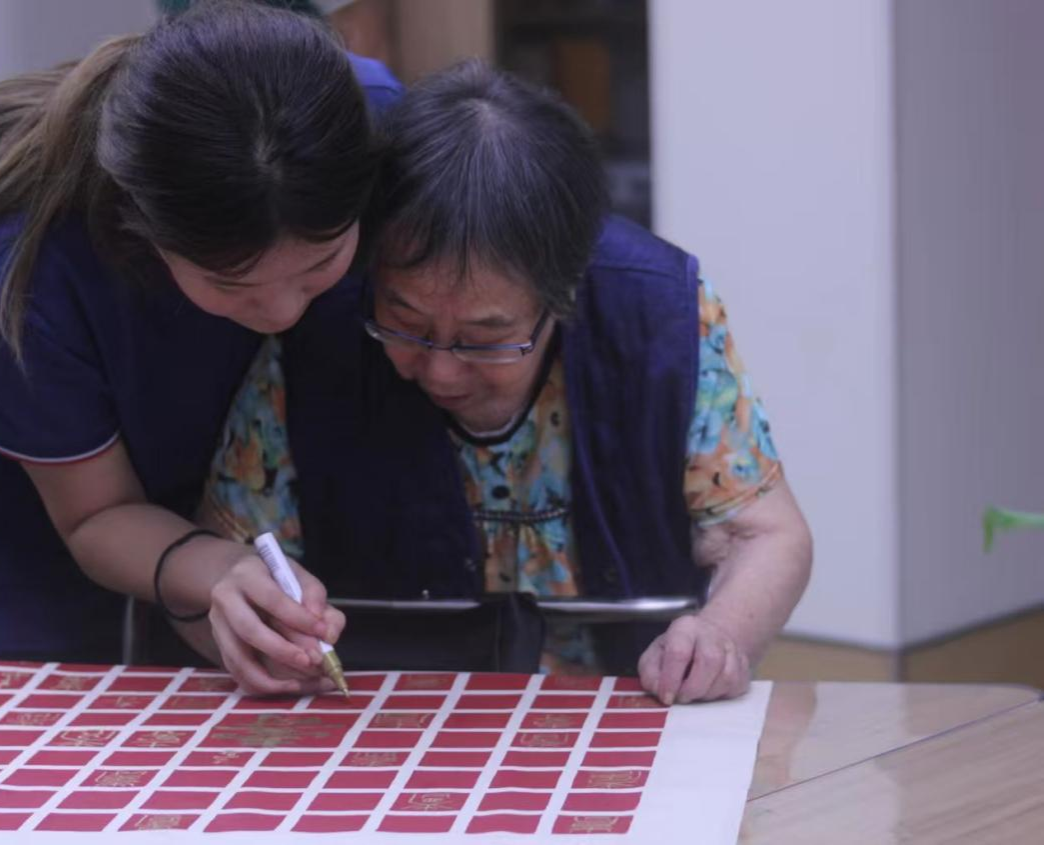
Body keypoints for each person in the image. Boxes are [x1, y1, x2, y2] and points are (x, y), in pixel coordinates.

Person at [196, 60, 813, 704]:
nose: (440, 369)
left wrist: (721, 633)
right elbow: (235, 542)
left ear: (564, 295)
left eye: (484, 338)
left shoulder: (658, 315)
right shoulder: (323, 320)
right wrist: (253, 615)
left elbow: (765, 533)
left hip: (621, 714)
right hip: (381, 715)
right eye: (405, 323)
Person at [0, 0, 397, 674]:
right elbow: (97, 515)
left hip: (174, 389)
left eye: (320, 266)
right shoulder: (20, 266)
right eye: (232, 283)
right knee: (33, 693)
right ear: (142, 226)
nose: (283, 312)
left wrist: (224, 581)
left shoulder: (365, 119)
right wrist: (217, 568)